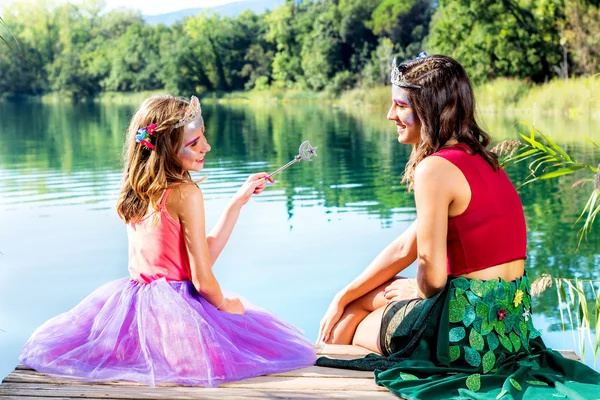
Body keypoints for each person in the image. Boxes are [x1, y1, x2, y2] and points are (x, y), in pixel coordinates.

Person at [316, 54, 600, 399]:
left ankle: (327, 385)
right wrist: (342, 293)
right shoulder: (482, 159)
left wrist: (416, 291)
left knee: (354, 314)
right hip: (508, 331)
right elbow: (405, 247)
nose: (391, 115)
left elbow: (432, 281)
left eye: (400, 105)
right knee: (359, 298)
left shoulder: (434, 170)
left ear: (429, 108)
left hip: (465, 337)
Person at [19, 94, 316, 387]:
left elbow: (189, 260)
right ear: (166, 148)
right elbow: (201, 278)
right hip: (177, 318)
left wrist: (235, 203)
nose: (206, 147)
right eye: (193, 142)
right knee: (262, 340)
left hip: (134, 310)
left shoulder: (137, 189)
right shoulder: (186, 194)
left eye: (203, 138)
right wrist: (226, 306)